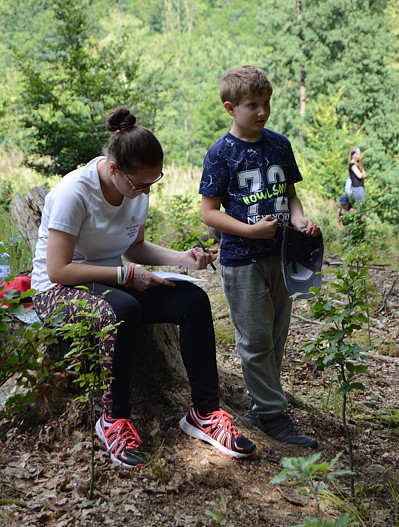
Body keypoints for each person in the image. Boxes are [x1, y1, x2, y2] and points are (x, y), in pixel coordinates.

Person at [31, 106, 256, 468]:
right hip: (57, 291)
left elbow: (134, 247)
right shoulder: (74, 192)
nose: (144, 192)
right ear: (114, 168)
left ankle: (204, 413)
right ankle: (113, 418)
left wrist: (183, 259)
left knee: (192, 300)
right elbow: (58, 269)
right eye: (138, 185)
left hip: (111, 279)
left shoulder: (138, 188)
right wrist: (126, 276)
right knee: (124, 309)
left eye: (153, 183)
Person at [199, 65, 320, 448]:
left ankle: (260, 405)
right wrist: (249, 230)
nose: (262, 112)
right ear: (230, 108)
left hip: (281, 254)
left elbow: (291, 195)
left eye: (266, 103)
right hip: (242, 259)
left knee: (276, 336)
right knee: (254, 339)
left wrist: (300, 220)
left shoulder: (279, 144)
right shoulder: (221, 153)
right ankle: (272, 414)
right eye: (253, 105)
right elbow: (209, 212)